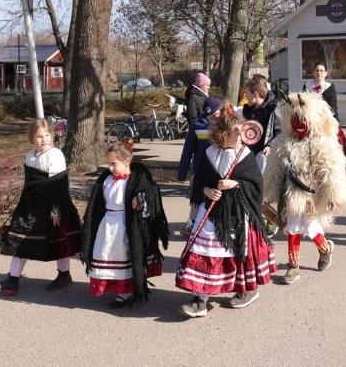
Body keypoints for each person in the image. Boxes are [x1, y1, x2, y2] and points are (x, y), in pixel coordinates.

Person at [176, 106, 276, 318]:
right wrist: (207, 190)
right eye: (237, 133)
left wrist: (235, 184)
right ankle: (200, 298)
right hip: (210, 214)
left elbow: (256, 186)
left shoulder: (245, 154)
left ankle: (247, 289)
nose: (241, 137)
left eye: (242, 132)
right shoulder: (209, 154)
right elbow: (199, 183)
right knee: (205, 253)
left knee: (238, 253)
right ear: (223, 134)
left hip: (238, 215)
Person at [264, 92, 346, 283]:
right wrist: (270, 190)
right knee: (293, 227)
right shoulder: (283, 142)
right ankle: (292, 267)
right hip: (292, 194)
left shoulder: (323, 144)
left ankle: (325, 249)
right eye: (293, 119)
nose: (297, 125)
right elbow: (274, 169)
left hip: (312, 194)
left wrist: (331, 197)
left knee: (312, 228)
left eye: (301, 119)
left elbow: (331, 173)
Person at [0, 119, 82, 295]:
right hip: (32, 205)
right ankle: (12, 280)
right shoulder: (30, 156)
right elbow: (29, 184)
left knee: (59, 240)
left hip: (54, 206)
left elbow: (58, 184)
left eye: (47, 135)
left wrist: (56, 209)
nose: (44, 139)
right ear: (32, 138)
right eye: (40, 136)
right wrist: (21, 206)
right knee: (20, 239)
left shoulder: (55, 155)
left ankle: (64, 275)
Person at [82, 140, 169, 308]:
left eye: (114, 164)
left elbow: (151, 194)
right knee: (107, 255)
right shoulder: (106, 180)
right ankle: (115, 287)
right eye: (108, 164)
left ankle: (125, 292)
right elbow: (97, 203)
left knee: (124, 257)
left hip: (125, 226)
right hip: (108, 225)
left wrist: (141, 198)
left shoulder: (138, 179)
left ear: (126, 161)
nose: (110, 168)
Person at [178, 97, 222, 236]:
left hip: (220, 170)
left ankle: (221, 222)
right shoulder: (197, 126)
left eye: (215, 114)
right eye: (210, 115)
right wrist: (182, 172)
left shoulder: (226, 125)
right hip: (199, 170)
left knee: (219, 196)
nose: (212, 118)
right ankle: (192, 221)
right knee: (197, 195)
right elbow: (187, 151)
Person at [242, 74, 279, 172]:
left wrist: (270, 146)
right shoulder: (247, 110)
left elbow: (280, 132)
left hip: (265, 159)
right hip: (249, 156)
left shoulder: (273, 109)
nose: (245, 96)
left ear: (255, 95)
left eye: (247, 93)